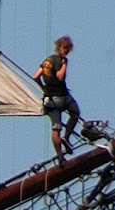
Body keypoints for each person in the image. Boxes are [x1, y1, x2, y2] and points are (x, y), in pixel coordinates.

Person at [34, 35, 80, 163]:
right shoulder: (60, 61)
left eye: (68, 49)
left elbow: (36, 77)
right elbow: (60, 77)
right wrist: (65, 64)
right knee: (75, 113)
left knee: (56, 128)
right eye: (66, 48)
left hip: (49, 99)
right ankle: (66, 137)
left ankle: (60, 157)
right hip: (61, 97)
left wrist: (44, 88)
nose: (67, 51)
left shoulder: (47, 60)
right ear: (60, 47)